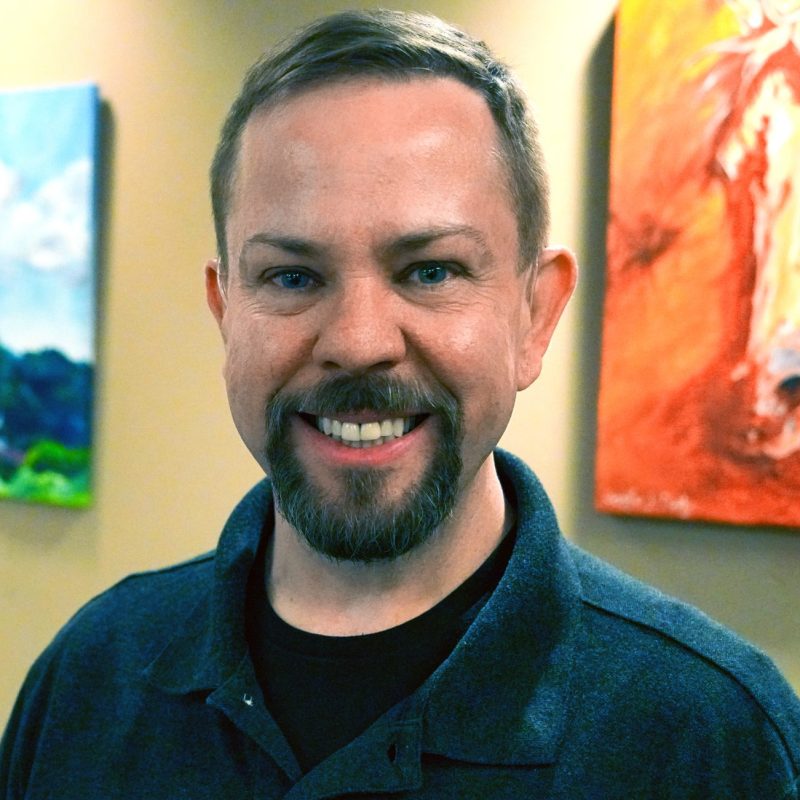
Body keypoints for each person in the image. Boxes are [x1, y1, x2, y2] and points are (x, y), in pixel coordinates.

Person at [2, 8, 799, 798]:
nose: (358, 342)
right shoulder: (90, 676)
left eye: (430, 271)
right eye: (292, 276)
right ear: (226, 312)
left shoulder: (711, 738)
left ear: (536, 314)